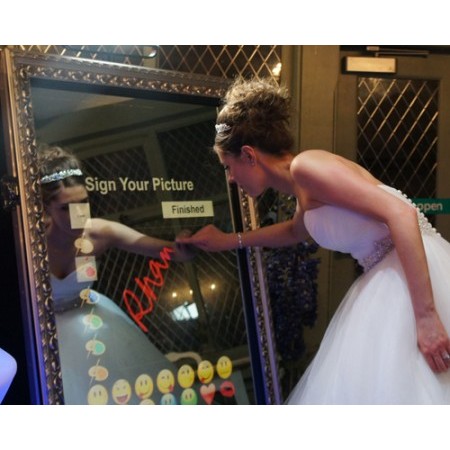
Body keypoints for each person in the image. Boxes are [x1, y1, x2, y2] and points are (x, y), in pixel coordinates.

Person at [176, 77, 450, 404]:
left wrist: (426, 316)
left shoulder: (308, 167)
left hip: (411, 277)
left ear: (248, 155)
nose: (231, 179)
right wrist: (227, 240)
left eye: (228, 167)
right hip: (390, 276)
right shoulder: (302, 189)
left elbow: (402, 214)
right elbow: (294, 232)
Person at [38, 145, 193, 404]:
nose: (79, 215)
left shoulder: (97, 233)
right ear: (45, 208)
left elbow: (169, 252)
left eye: (84, 203)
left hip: (97, 330)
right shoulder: (30, 247)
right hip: (48, 341)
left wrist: (184, 246)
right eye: (66, 208)